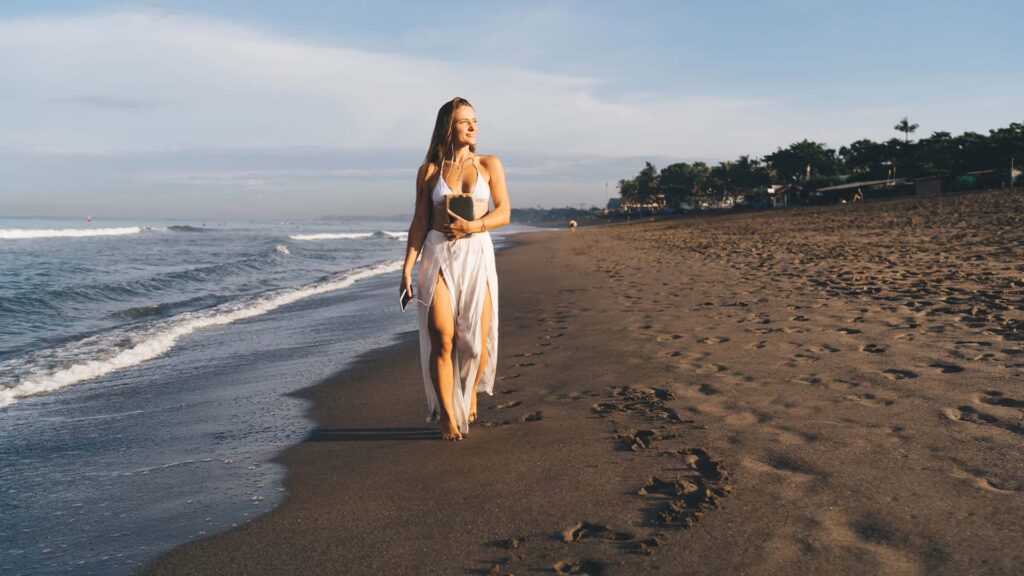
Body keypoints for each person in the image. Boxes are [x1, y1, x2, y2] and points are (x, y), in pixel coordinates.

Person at [401, 97, 511, 441]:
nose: (473, 126)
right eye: (465, 121)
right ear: (449, 126)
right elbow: (419, 222)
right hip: (438, 254)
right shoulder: (429, 171)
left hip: (476, 254)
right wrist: (406, 269)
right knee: (442, 337)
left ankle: (471, 391)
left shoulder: (489, 164)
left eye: (474, 120)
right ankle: (448, 416)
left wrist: (471, 227)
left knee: (475, 345)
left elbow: (504, 212)